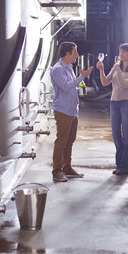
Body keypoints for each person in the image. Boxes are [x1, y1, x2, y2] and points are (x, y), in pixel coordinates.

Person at [50, 41, 93, 182]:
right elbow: (64, 87)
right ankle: (57, 171)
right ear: (67, 53)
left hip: (72, 110)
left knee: (70, 141)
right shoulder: (57, 69)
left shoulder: (68, 68)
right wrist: (81, 77)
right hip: (63, 110)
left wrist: (80, 89)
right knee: (61, 141)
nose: (77, 55)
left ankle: (67, 168)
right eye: (75, 52)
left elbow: (71, 88)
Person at [96, 43, 128, 176]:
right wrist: (101, 70)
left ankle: (125, 167)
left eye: (124, 52)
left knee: (126, 134)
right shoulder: (116, 67)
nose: (121, 54)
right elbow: (105, 82)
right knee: (116, 134)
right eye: (120, 51)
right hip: (114, 102)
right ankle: (119, 164)